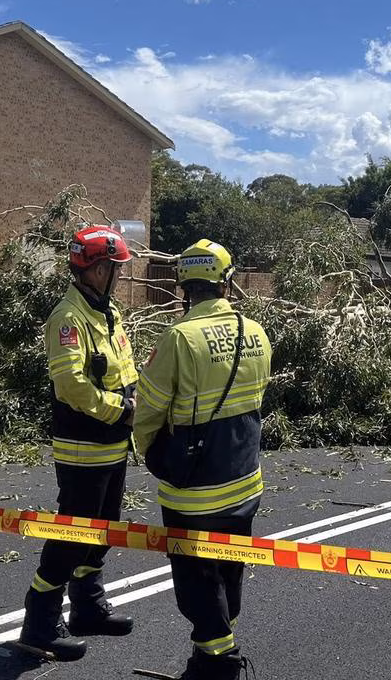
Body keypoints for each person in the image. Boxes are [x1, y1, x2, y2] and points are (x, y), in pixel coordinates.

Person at [134, 239, 272, 680]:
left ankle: (219, 665)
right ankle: (206, 658)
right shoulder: (256, 332)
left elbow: (149, 409)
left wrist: (152, 453)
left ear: (184, 286)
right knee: (229, 572)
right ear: (226, 282)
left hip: (194, 492)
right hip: (244, 479)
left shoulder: (178, 338)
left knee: (197, 582)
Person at [18, 225, 137, 661]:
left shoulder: (106, 311)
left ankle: (87, 605)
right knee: (71, 533)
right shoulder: (68, 318)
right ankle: (40, 620)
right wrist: (121, 410)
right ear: (97, 268)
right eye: (115, 268)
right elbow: (71, 386)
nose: (120, 276)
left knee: (103, 529)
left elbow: (120, 368)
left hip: (113, 443)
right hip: (83, 445)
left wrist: (138, 399)